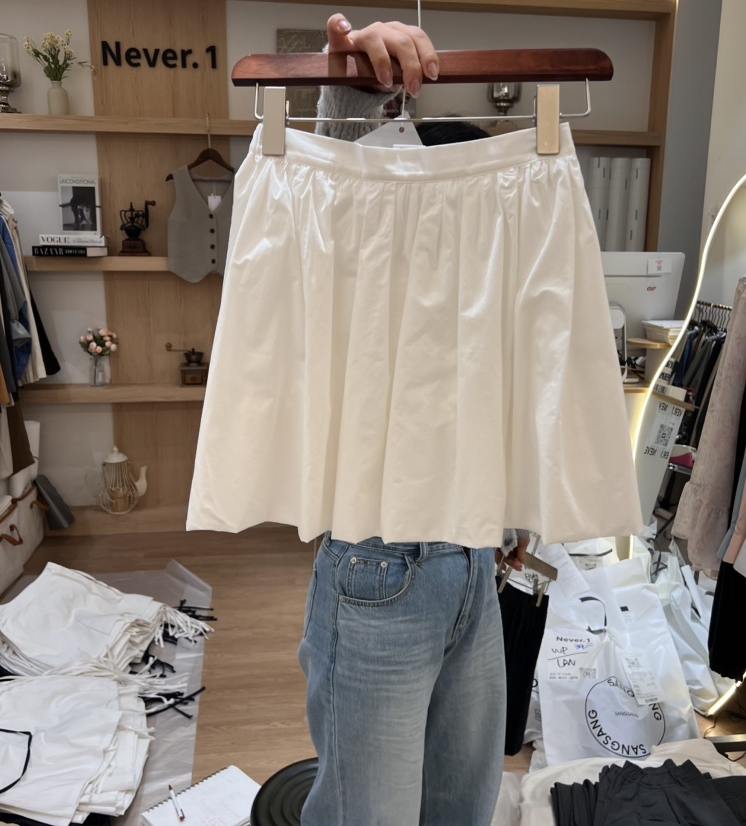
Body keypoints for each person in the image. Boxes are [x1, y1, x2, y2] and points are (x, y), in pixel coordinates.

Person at [296, 14, 529, 826]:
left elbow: (496, 389)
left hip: (474, 562)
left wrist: (511, 511)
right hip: (380, 566)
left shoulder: (488, 280)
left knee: (464, 805)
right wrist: (355, 84)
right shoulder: (366, 261)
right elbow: (335, 205)